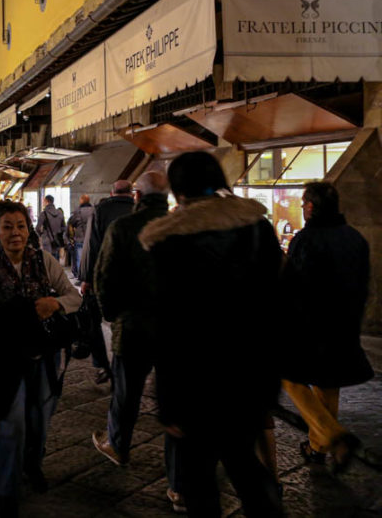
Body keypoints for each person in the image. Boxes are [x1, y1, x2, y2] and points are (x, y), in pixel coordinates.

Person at [139, 152, 283, 518]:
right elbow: (276, 305)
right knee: (245, 464)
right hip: (250, 375)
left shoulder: (168, 242)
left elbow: (167, 326)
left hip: (194, 384)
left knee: (198, 480)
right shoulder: (257, 228)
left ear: (178, 190)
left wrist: (167, 399)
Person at [0, 201, 81, 517]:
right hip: (9, 362)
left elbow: (74, 297)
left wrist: (54, 304)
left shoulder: (45, 261)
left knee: (40, 421)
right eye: (7, 226)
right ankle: (6, 488)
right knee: (13, 423)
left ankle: (32, 465)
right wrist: (29, 310)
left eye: (20, 225)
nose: (15, 233)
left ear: (28, 229)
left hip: (46, 357)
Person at [90, 172, 184, 512]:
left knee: (126, 393)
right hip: (175, 331)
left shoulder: (123, 229)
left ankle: (118, 445)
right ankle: (179, 487)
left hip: (134, 328)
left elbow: (104, 278)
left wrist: (112, 314)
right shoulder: (182, 228)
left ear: (136, 197)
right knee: (175, 406)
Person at [280, 181, 371, 473]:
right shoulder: (356, 238)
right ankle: (318, 447)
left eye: (304, 202)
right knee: (328, 385)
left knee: (290, 378)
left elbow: (295, 286)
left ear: (311, 206)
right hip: (345, 324)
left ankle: (332, 436)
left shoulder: (306, 240)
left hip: (311, 326)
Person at [79, 180, 134, 384]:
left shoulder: (100, 210)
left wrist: (86, 278)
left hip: (103, 277)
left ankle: (102, 364)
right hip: (131, 279)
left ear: (112, 192)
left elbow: (91, 246)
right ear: (131, 193)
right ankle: (123, 362)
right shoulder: (138, 210)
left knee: (95, 321)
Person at [67, 194, 93, 279]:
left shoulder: (77, 211)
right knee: (90, 258)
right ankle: (89, 276)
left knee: (79, 258)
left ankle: (80, 277)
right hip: (91, 238)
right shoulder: (94, 210)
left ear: (81, 200)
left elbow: (72, 223)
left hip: (80, 238)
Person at [36, 195, 66, 259]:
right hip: (57, 241)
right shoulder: (60, 213)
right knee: (56, 261)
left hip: (46, 240)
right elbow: (64, 227)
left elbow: (38, 228)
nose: (43, 203)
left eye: (43, 201)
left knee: (48, 261)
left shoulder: (43, 214)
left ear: (47, 202)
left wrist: (42, 234)